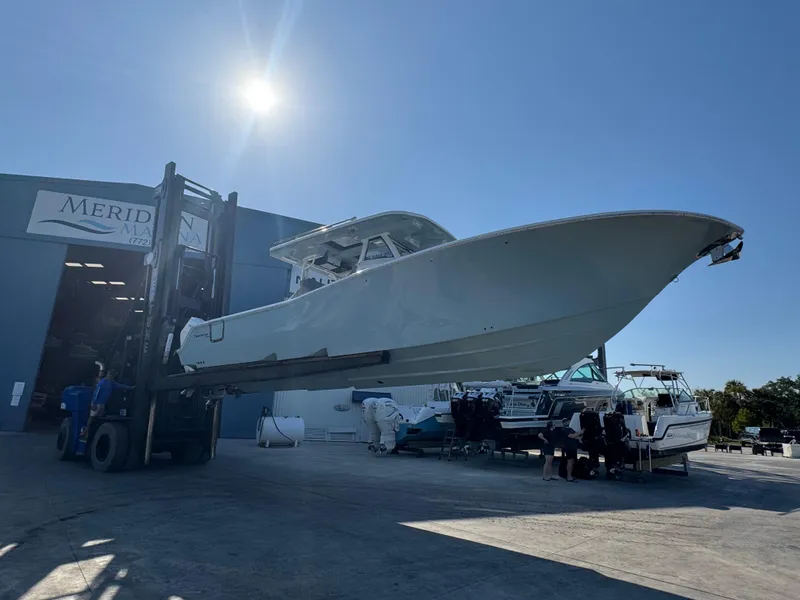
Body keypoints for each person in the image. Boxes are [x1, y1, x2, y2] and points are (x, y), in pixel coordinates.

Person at [79, 369, 134, 442]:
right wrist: (93, 403)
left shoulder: (111, 383)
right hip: (97, 403)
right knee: (92, 418)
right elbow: (96, 393)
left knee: (98, 419)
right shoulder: (102, 382)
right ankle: (85, 432)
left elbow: (120, 386)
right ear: (109, 374)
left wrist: (131, 387)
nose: (113, 377)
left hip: (102, 404)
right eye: (113, 376)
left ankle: (91, 434)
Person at [561, 417, 584, 482]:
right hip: (569, 448)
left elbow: (576, 436)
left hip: (573, 447)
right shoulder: (564, 429)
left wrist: (580, 436)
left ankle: (571, 474)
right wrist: (581, 432)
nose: (567, 422)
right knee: (570, 461)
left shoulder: (570, 429)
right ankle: (569, 476)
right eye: (565, 421)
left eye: (567, 421)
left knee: (573, 462)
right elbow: (572, 436)